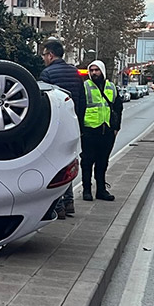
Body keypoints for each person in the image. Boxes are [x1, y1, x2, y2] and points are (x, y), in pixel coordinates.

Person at [40, 39, 86, 218]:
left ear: (51, 55)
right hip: (72, 124)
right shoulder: (75, 73)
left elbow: (46, 103)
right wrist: (79, 124)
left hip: (55, 126)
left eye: (44, 54)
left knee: (55, 167)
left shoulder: (47, 74)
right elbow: (82, 101)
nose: (43, 58)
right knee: (68, 163)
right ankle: (69, 203)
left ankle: (58, 206)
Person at [80, 59, 121, 202]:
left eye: (96, 70)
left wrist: (116, 127)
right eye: (91, 70)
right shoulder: (85, 86)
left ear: (102, 71)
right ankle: (86, 190)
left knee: (102, 162)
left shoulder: (111, 87)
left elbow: (118, 108)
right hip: (90, 131)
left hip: (107, 131)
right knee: (87, 161)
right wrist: (80, 129)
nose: (94, 73)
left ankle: (101, 190)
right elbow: (79, 108)